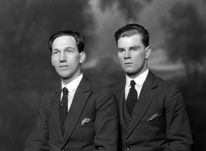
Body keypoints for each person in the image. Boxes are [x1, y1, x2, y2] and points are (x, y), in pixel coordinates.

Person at [24, 30, 119, 151]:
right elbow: (36, 143)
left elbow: (106, 148)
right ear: (52, 60)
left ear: (81, 57)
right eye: (56, 52)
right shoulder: (49, 98)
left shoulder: (102, 96)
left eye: (68, 51)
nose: (62, 58)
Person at [111, 23, 193, 151]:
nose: (126, 55)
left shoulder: (169, 93)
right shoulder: (109, 93)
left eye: (133, 49)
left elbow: (181, 143)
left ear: (147, 52)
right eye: (121, 50)